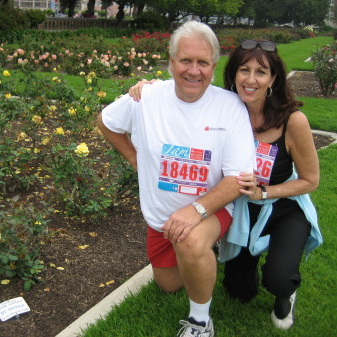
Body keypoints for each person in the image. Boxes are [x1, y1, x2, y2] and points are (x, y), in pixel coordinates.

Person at [128, 39, 323, 331]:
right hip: (244, 208)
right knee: (239, 292)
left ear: (273, 79)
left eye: (261, 72)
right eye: (244, 70)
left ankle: (285, 294)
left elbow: (310, 180)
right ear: (232, 75)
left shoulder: (292, 121)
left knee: (278, 277)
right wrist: (154, 87)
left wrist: (265, 191)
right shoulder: (228, 109)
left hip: (282, 206)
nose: (251, 79)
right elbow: (184, 98)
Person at [98, 21, 256, 337]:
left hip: (211, 208)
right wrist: (135, 158)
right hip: (160, 218)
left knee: (191, 240)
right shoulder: (148, 98)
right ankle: (200, 257)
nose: (193, 71)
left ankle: (200, 322)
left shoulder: (230, 107)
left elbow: (236, 179)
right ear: (171, 63)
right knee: (169, 284)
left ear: (213, 66)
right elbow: (106, 121)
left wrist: (196, 210)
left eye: (202, 62)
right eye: (185, 60)